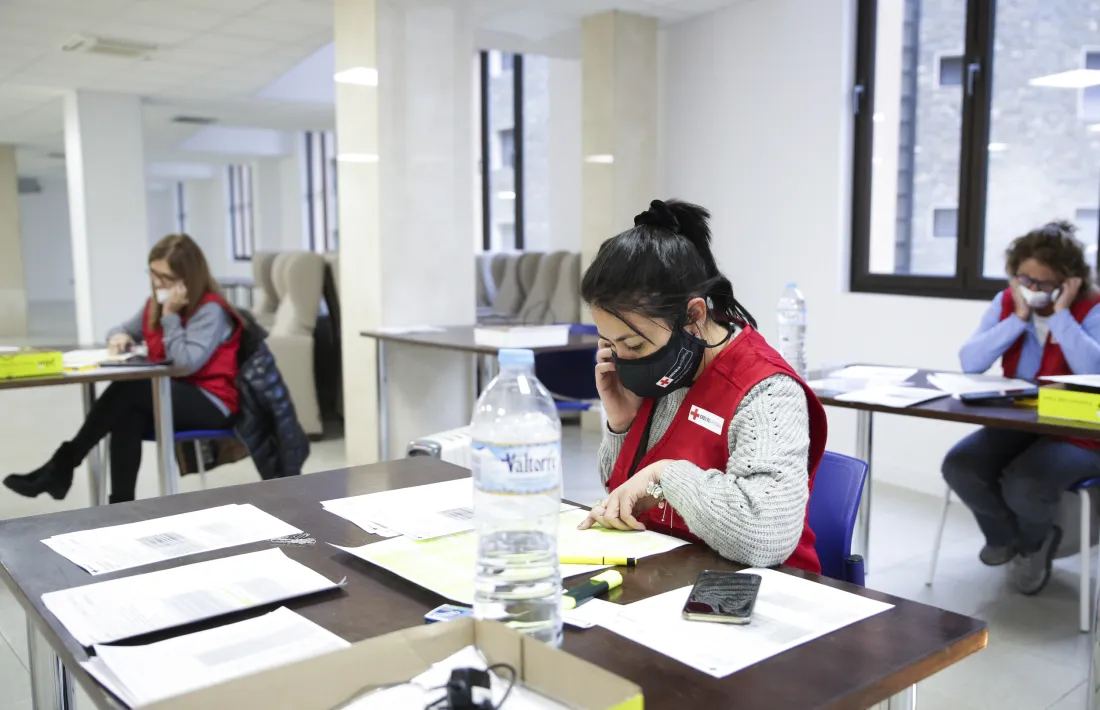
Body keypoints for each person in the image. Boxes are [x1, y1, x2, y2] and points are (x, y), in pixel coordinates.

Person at [578, 199, 828, 573]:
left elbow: (766, 536)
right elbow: (619, 488)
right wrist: (622, 424)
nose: (623, 358)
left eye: (633, 344)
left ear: (693, 316)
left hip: (762, 592)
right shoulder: (670, 369)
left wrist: (665, 474)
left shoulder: (768, 391)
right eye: (610, 344)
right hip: (680, 572)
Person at [4, 234, 242, 504]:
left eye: (166, 278)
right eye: (153, 274)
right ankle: (120, 505)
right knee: (126, 414)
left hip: (212, 403)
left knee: (132, 390)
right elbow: (118, 329)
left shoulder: (209, 310)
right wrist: (119, 338)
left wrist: (171, 318)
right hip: (170, 396)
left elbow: (185, 364)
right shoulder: (155, 304)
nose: (157, 283)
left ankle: (63, 465)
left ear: (188, 277)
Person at [942, 220, 1100, 595]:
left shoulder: (1091, 308)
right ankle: (1005, 539)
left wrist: (1060, 316)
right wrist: (1018, 319)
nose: (1031, 289)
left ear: (1069, 280)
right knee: (961, 467)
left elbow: (1094, 370)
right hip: (1020, 421)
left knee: (1025, 483)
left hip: (1081, 430)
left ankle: (1033, 545)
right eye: (1024, 279)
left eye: (1042, 283)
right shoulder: (1008, 302)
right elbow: (971, 361)